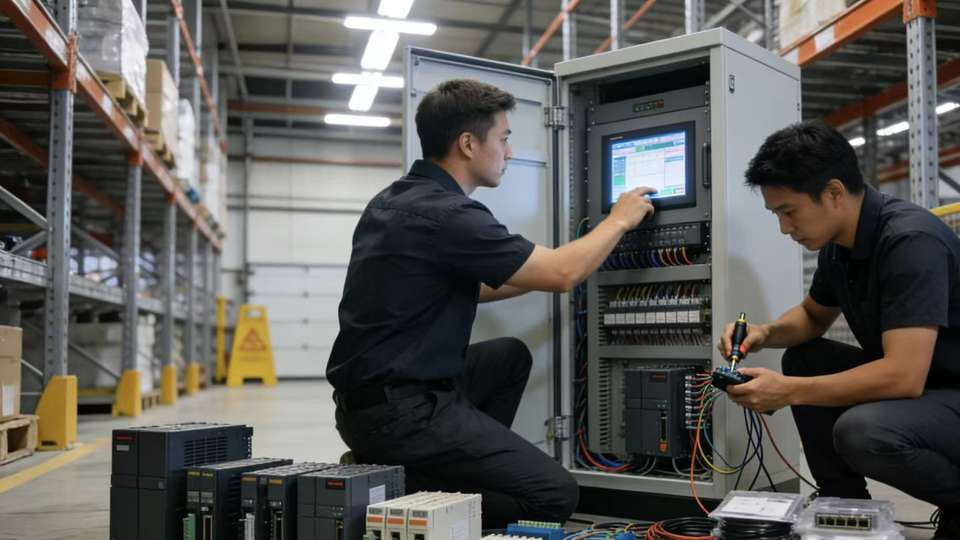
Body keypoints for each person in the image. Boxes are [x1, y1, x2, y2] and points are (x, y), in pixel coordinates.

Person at [327, 79, 656, 528]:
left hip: (364, 406)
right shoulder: (451, 215)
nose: (509, 151)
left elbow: (477, 285)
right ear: (468, 144)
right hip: (402, 413)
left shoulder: (391, 201)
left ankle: (449, 469)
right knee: (554, 494)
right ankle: (402, 491)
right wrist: (618, 221)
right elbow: (562, 274)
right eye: (503, 139)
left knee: (508, 357)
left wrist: (547, 269)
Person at [718, 121, 960, 538]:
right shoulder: (838, 247)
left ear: (833, 193)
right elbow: (813, 317)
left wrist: (788, 391)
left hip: (947, 391)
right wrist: (764, 333)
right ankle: (843, 506)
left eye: (788, 212)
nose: (784, 228)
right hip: (926, 389)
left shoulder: (910, 241)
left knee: (864, 431)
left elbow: (904, 376)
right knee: (805, 357)